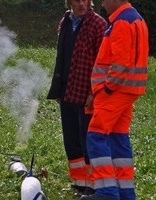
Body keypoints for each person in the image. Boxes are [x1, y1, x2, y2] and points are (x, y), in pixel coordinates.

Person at [80, 0, 149, 200]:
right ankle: (125, 192)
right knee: (118, 138)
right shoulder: (135, 18)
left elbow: (121, 61)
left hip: (115, 91)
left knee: (95, 136)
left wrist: (106, 88)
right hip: (128, 90)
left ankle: (107, 192)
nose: (102, 2)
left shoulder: (121, 21)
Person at [47, 0, 107, 196]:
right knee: (71, 139)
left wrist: (93, 92)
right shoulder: (65, 21)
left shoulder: (98, 24)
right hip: (67, 90)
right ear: (69, 2)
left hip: (87, 93)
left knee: (87, 139)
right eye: (77, 0)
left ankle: (93, 185)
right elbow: (61, 56)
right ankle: (79, 182)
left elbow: (103, 61)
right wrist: (58, 89)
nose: (81, 4)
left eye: (85, 0)